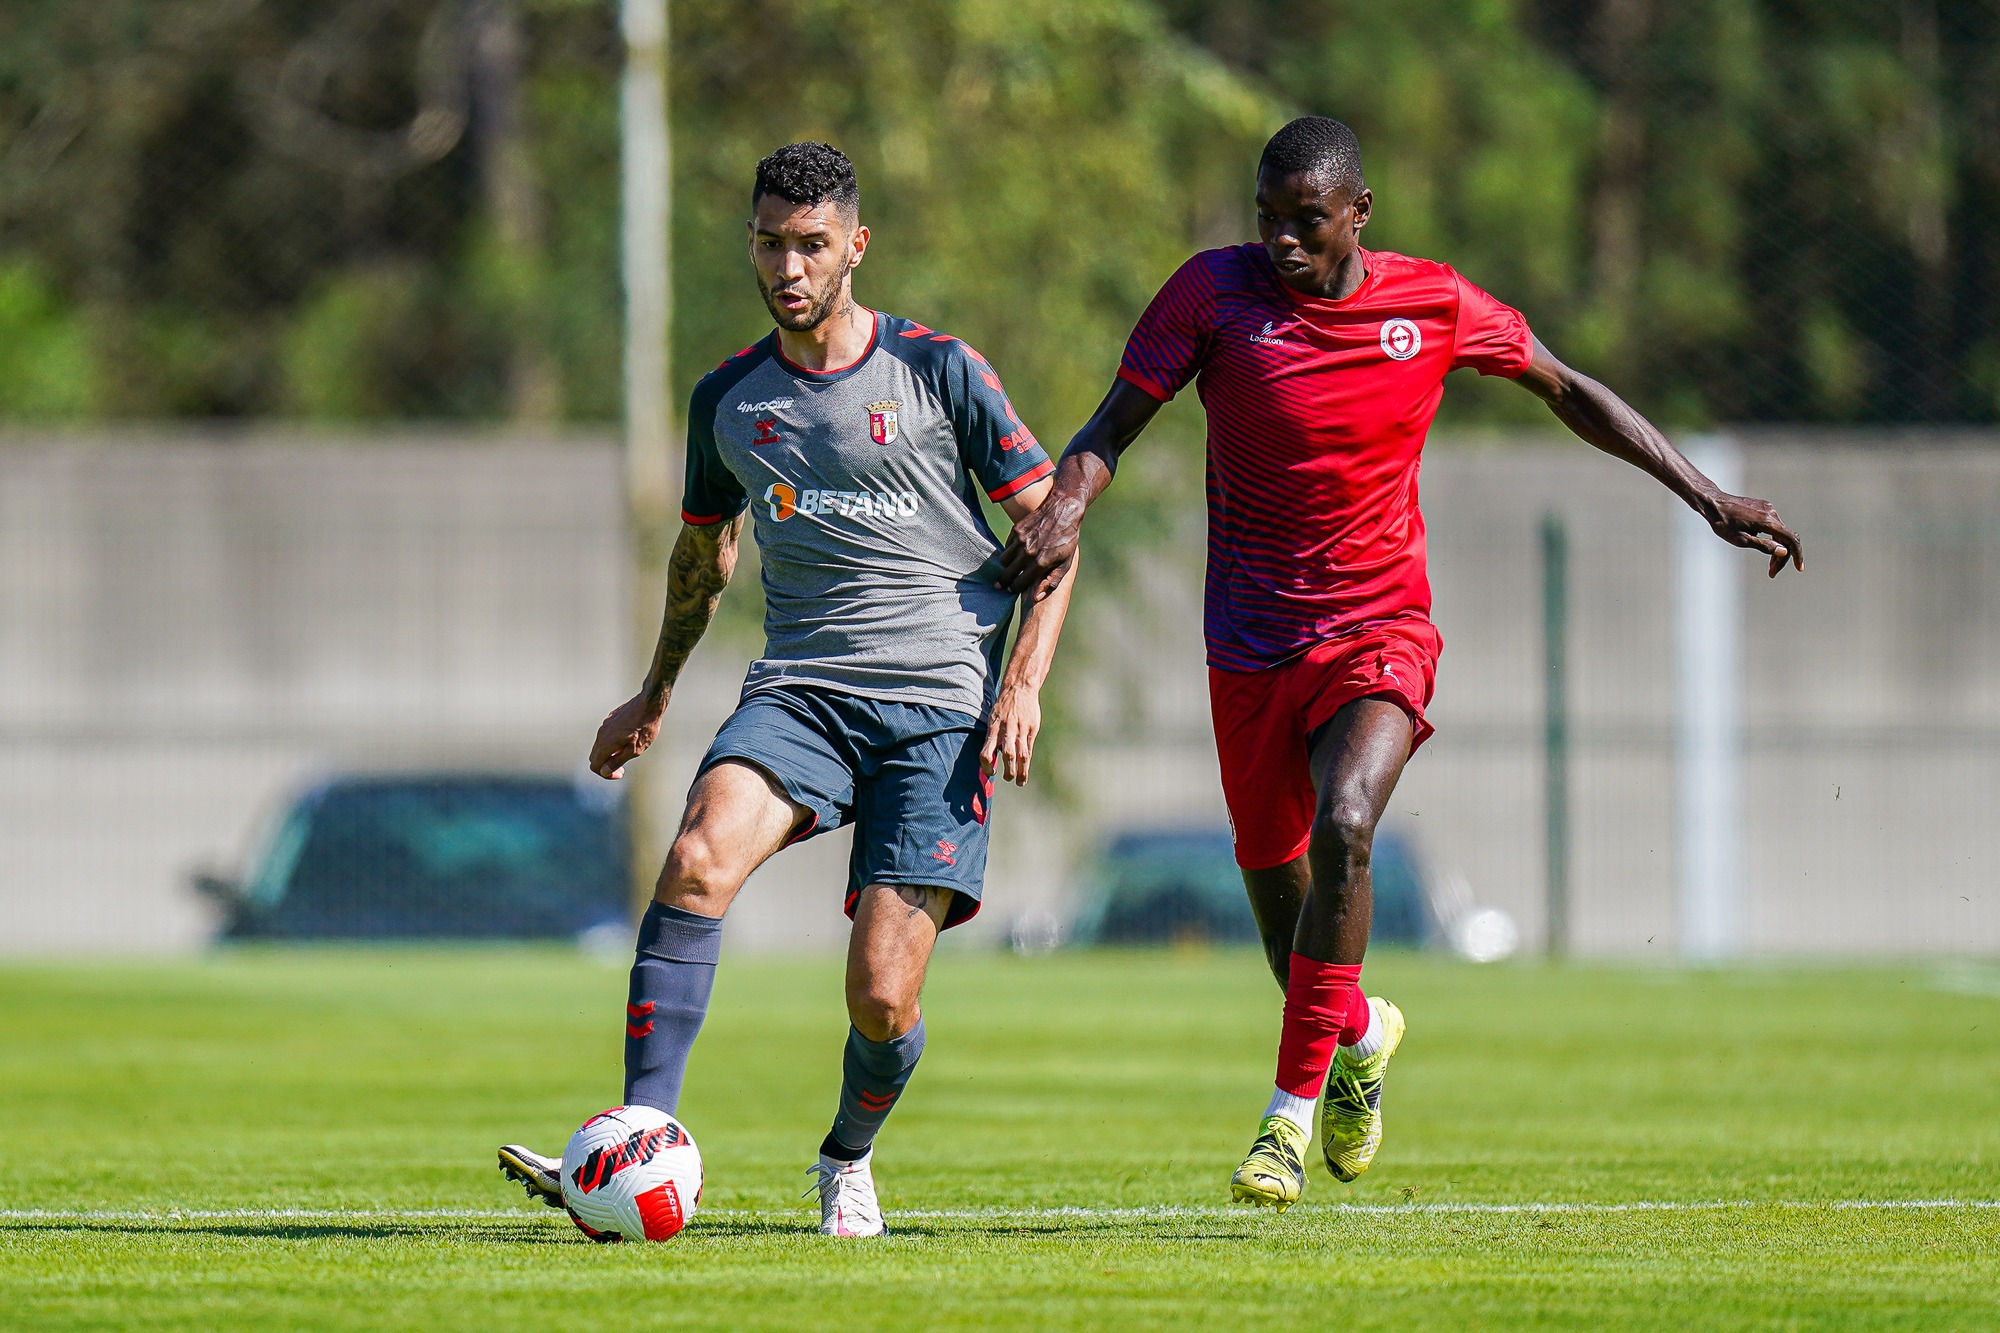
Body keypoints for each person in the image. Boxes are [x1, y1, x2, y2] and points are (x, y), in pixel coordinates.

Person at [998, 116, 1802, 1209]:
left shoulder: (1431, 304)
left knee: (1347, 822)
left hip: (1379, 629)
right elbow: (1110, 425)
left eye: (1306, 221)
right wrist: (1066, 505)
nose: (1282, 241)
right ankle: (1362, 1032)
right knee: (1289, 934)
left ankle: (1284, 1124)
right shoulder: (1210, 295)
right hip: (1248, 645)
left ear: (1358, 214)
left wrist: (1705, 496)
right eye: (1267, 218)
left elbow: (1565, 388)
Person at [499, 141, 1070, 1237]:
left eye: (811, 244)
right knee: (695, 857)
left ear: (856, 246)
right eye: (769, 243)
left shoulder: (941, 369)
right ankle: (638, 1132)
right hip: (802, 693)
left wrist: (1024, 683)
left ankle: (846, 1156)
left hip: (941, 707)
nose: (788, 266)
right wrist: (654, 692)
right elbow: (703, 557)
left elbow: (1054, 534)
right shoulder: (727, 399)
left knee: (882, 997)